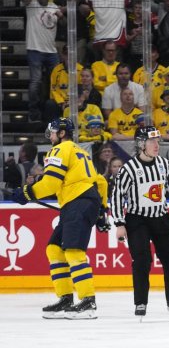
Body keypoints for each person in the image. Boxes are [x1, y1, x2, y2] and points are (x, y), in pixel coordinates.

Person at [8, 117, 109, 319]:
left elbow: (52, 184)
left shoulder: (60, 149)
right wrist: (101, 212)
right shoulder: (81, 152)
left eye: (53, 132)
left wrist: (27, 193)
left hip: (77, 202)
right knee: (54, 249)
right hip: (80, 203)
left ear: (62, 133)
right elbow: (101, 183)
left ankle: (88, 302)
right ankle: (65, 298)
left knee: (73, 251)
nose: (51, 136)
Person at [110, 126, 169, 321]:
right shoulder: (129, 169)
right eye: (152, 141)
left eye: (158, 141)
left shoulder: (164, 164)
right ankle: (140, 302)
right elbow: (118, 196)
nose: (156, 145)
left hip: (161, 217)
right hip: (137, 220)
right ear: (140, 144)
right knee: (142, 261)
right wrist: (120, 224)